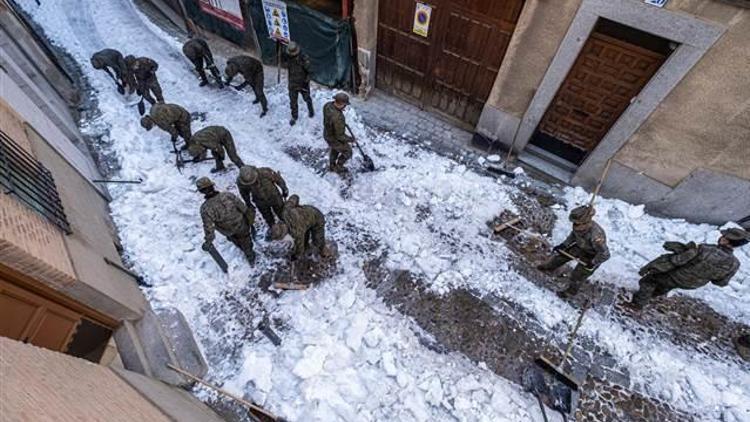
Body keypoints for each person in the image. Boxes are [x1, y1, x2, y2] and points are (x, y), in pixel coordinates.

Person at [627, 228, 749, 310]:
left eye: (723, 236)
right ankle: (651, 295)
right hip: (692, 284)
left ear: (726, 240)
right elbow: (721, 282)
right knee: (666, 285)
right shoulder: (735, 264)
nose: (721, 237)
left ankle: (637, 305)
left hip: (676, 275)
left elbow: (679, 260)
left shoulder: (704, 248)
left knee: (649, 281)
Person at [537, 205, 610, 298]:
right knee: (562, 256)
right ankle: (549, 267)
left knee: (577, 276)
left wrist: (593, 262)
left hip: (592, 256)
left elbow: (605, 254)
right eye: (574, 223)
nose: (574, 226)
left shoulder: (596, 236)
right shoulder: (578, 228)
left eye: (577, 224)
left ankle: (570, 292)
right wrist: (564, 245)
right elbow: (573, 236)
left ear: (585, 223)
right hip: (581, 247)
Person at [197, 177, 255, 265]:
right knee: (246, 240)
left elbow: (209, 228)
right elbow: (242, 207)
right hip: (241, 225)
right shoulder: (228, 195)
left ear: (201, 192)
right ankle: (250, 257)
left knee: (236, 240)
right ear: (213, 186)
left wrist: (208, 241)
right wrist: (250, 221)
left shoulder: (205, 209)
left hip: (227, 231)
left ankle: (243, 249)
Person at [271, 195, 330, 262]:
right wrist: (298, 209)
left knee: (317, 240)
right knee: (304, 234)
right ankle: (307, 244)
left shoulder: (296, 232)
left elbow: (300, 248)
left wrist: (296, 256)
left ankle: (322, 249)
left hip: (317, 219)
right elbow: (295, 197)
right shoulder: (285, 211)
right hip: (308, 211)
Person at [236, 166, 288, 238]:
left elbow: (278, 179)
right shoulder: (241, 182)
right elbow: (244, 193)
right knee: (267, 216)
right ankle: (273, 227)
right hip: (259, 201)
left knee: (281, 212)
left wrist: (284, 188)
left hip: (274, 197)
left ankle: (286, 224)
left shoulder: (264, 172)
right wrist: (248, 203)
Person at [323, 92, 355, 173]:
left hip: (327, 134)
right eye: (345, 105)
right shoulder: (338, 118)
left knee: (335, 149)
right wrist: (351, 139)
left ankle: (332, 165)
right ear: (342, 104)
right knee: (348, 152)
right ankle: (339, 166)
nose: (345, 107)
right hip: (334, 138)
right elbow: (340, 136)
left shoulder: (327, 105)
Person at [285, 41, 314, 126]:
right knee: (293, 101)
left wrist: (306, 81)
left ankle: (311, 111)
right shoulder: (288, 57)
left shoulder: (303, 58)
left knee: (307, 98)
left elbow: (310, 71)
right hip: (292, 83)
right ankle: (294, 116)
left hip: (302, 83)